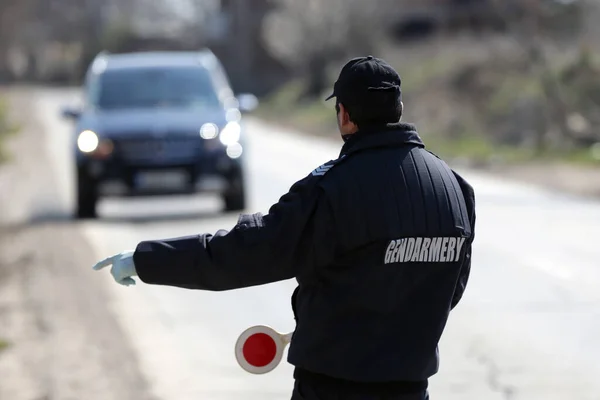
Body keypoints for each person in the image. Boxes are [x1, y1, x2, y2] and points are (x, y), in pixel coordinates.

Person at [93, 56, 476, 400]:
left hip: (332, 388)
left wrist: (146, 260)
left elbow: (244, 253)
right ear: (399, 108)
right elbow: (450, 288)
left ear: (344, 115)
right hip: (412, 388)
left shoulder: (331, 190)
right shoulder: (455, 186)